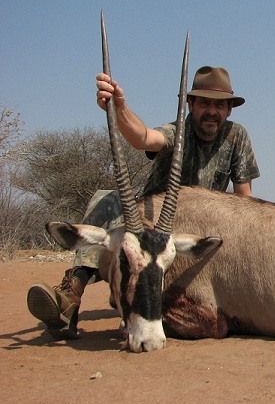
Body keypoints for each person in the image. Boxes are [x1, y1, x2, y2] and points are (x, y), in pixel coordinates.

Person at [26, 66, 260, 339]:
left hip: (194, 233)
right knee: (109, 198)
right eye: (205, 103)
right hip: (152, 226)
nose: (212, 111)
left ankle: (133, 295)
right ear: (190, 104)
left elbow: (244, 200)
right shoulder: (177, 132)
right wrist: (119, 108)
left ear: (229, 109)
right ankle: (71, 295)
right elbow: (143, 137)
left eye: (219, 105)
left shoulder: (237, 136)